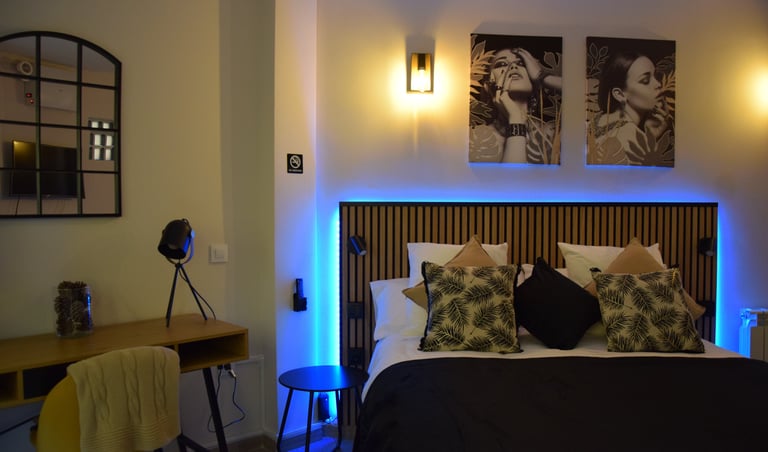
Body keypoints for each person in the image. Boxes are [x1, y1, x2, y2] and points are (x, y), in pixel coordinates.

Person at [469, 46, 561, 164]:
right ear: (487, 86)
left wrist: (542, 77)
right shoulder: (474, 138)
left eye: (521, 64)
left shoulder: (554, 134)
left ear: (534, 82)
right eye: (502, 64)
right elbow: (512, 175)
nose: (513, 67)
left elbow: (581, 93)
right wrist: (515, 119)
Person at [590, 50, 674, 166]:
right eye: (645, 81)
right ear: (620, 94)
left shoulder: (599, 119)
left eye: (655, 76)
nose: (658, 84)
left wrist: (650, 137)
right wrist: (645, 142)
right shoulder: (631, 135)